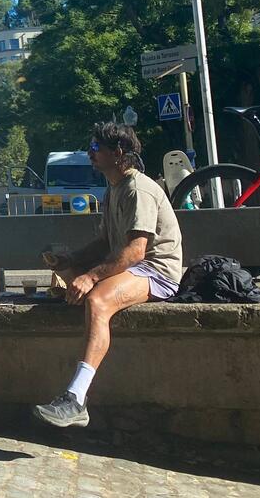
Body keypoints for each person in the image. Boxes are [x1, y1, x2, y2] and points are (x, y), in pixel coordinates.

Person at [34, 121, 184, 429]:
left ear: (118, 153)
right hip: (134, 267)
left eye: (94, 149)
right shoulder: (114, 188)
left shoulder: (137, 189)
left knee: (98, 300)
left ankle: (76, 399)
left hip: (157, 271)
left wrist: (90, 278)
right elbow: (105, 243)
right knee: (70, 274)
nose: (89, 154)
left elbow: (134, 253)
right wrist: (70, 260)